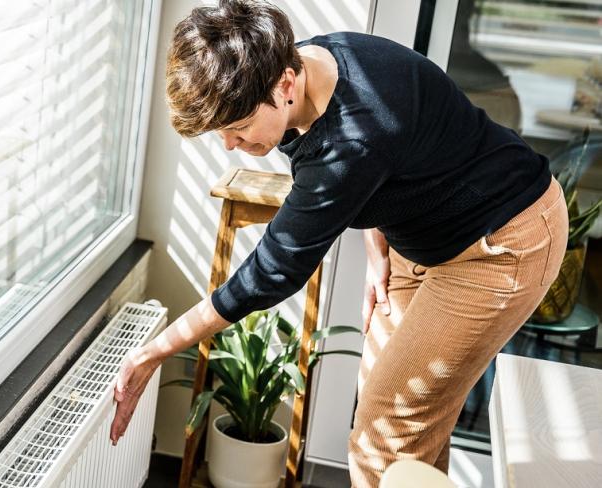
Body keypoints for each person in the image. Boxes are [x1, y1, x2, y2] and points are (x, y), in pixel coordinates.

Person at [106, 1, 568, 487]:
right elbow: (389, 158)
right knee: (408, 432)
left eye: (238, 128)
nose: (229, 144)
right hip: (425, 238)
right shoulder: (308, 62)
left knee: (382, 439)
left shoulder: (351, 138)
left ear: (284, 85)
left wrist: (154, 352)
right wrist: (377, 251)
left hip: (500, 244)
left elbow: (272, 270)